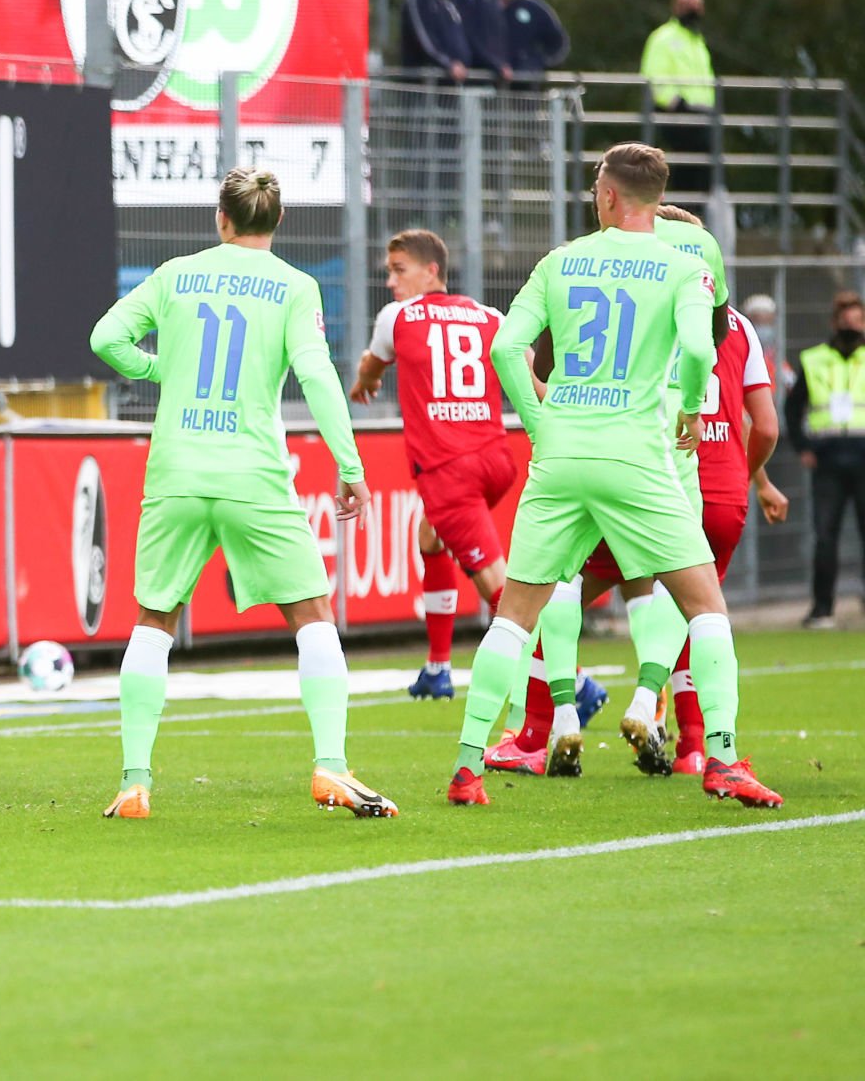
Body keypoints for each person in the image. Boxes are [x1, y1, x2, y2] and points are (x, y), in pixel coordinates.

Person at [447, 143, 780, 807]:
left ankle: (467, 767)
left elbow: (506, 348)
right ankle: (718, 757)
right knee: (704, 605)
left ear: (607, 195)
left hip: (562, 454)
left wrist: (542, 428)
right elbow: (695, 347)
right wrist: (688, 406)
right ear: (657, 199)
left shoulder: (560, 261)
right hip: (636, 455)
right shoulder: (682, 264)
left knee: (515, 615)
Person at [90, 167, 397, 821]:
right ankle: (332, 767)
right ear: (277, 222)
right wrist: (350, 464)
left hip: (175, 470)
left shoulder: (176, 274)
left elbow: (105, 338)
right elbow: (316, 374)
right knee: (313, 614)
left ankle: (134, 782)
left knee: (153, 619)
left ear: (220, 219)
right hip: (252, 471)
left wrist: (159, 369)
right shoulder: (293, 285)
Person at [350, 229, 547, 703]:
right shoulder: (489, 316)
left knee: (499, 588)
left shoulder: (397, 318)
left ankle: (569, 683)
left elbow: (371, 368)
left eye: (399, 270)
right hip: (497, 458)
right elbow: (528, 366)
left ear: (430, 270)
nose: (391, 282)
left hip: (448, 470)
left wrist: (362, 384)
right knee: (428, 534)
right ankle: (437, 668)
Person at [785, 290, 865, 628]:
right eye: (847, 320)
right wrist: (803, 446)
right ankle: (822, 609)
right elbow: (792, 407)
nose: (852, 327)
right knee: (825, 535)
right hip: (828, 457)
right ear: (834, 322)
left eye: (858, 321)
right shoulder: (814, 359)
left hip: (863, 453)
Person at [639, 0, 716, 194]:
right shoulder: (663, 37)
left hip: (704, 115)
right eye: (687, 5)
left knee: (704, 172)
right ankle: (682, 213)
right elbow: (654, 75)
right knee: (685, 169)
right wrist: (674, 102)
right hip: (678, 113)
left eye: (697, 5)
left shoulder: (697, 41)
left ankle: (696, 215)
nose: (693, 10)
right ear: (675, 7)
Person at [491, 0, 569, 80]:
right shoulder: (484, 5)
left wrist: (537, 63)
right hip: (489, 79)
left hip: (526, 85)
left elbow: (558, 42)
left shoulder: (535, 9)